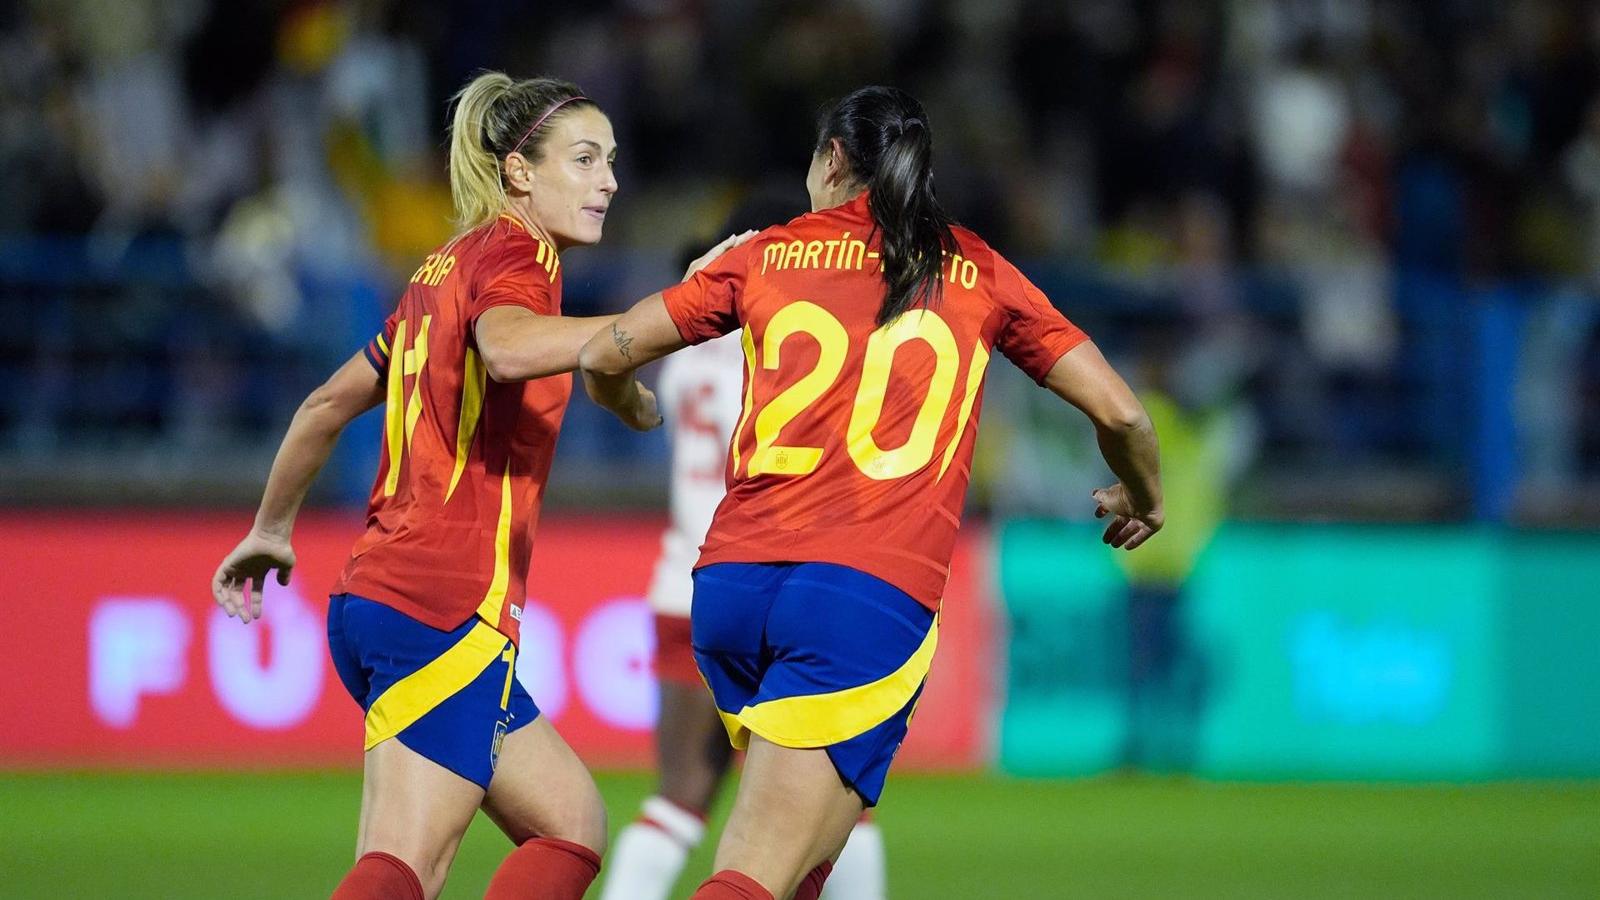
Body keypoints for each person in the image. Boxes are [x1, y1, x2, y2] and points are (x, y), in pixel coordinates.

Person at [578, 85, 1164, 900]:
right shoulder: (975, 270)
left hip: (728, 592)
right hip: (860, 600)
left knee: (805, 857)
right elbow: (1122, 413)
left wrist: (631, 405)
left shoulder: (760, 254)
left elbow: (605, 355)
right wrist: (1145, 494)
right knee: (754, 870)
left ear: (832, 159)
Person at [210, 71, 662, 900]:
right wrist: (660, 321)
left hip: (387, 594)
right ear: (521, 173)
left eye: (612, 161)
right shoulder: (519, 256)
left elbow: (324, 404)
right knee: (410, 867)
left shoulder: (441, 270)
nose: (610, 181)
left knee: (572, 823)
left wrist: (271, 529)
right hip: (442, 602)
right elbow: (512, 349)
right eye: (587, 159)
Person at [602, 200, 889, 900]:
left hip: (686, 586)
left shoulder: (682, 363)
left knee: (679, 798)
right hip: (781, 581)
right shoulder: (793, 348)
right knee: (840, 798)